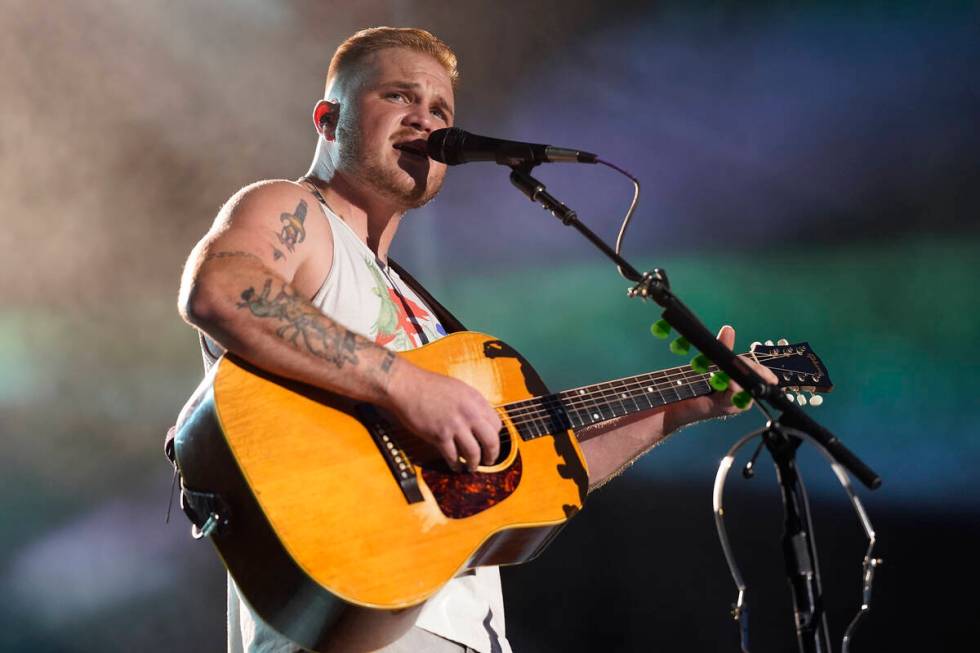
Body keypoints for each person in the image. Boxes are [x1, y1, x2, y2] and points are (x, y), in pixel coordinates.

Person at [177, 26, 776, 653]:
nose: (426, 120)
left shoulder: (427, 318)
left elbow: (537, 468)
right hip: (351, 618)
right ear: (330, 119)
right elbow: (222, 289)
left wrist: (680, 410)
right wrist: (404, 385)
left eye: (440, 110)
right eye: (399, 97)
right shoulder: (292, 212)